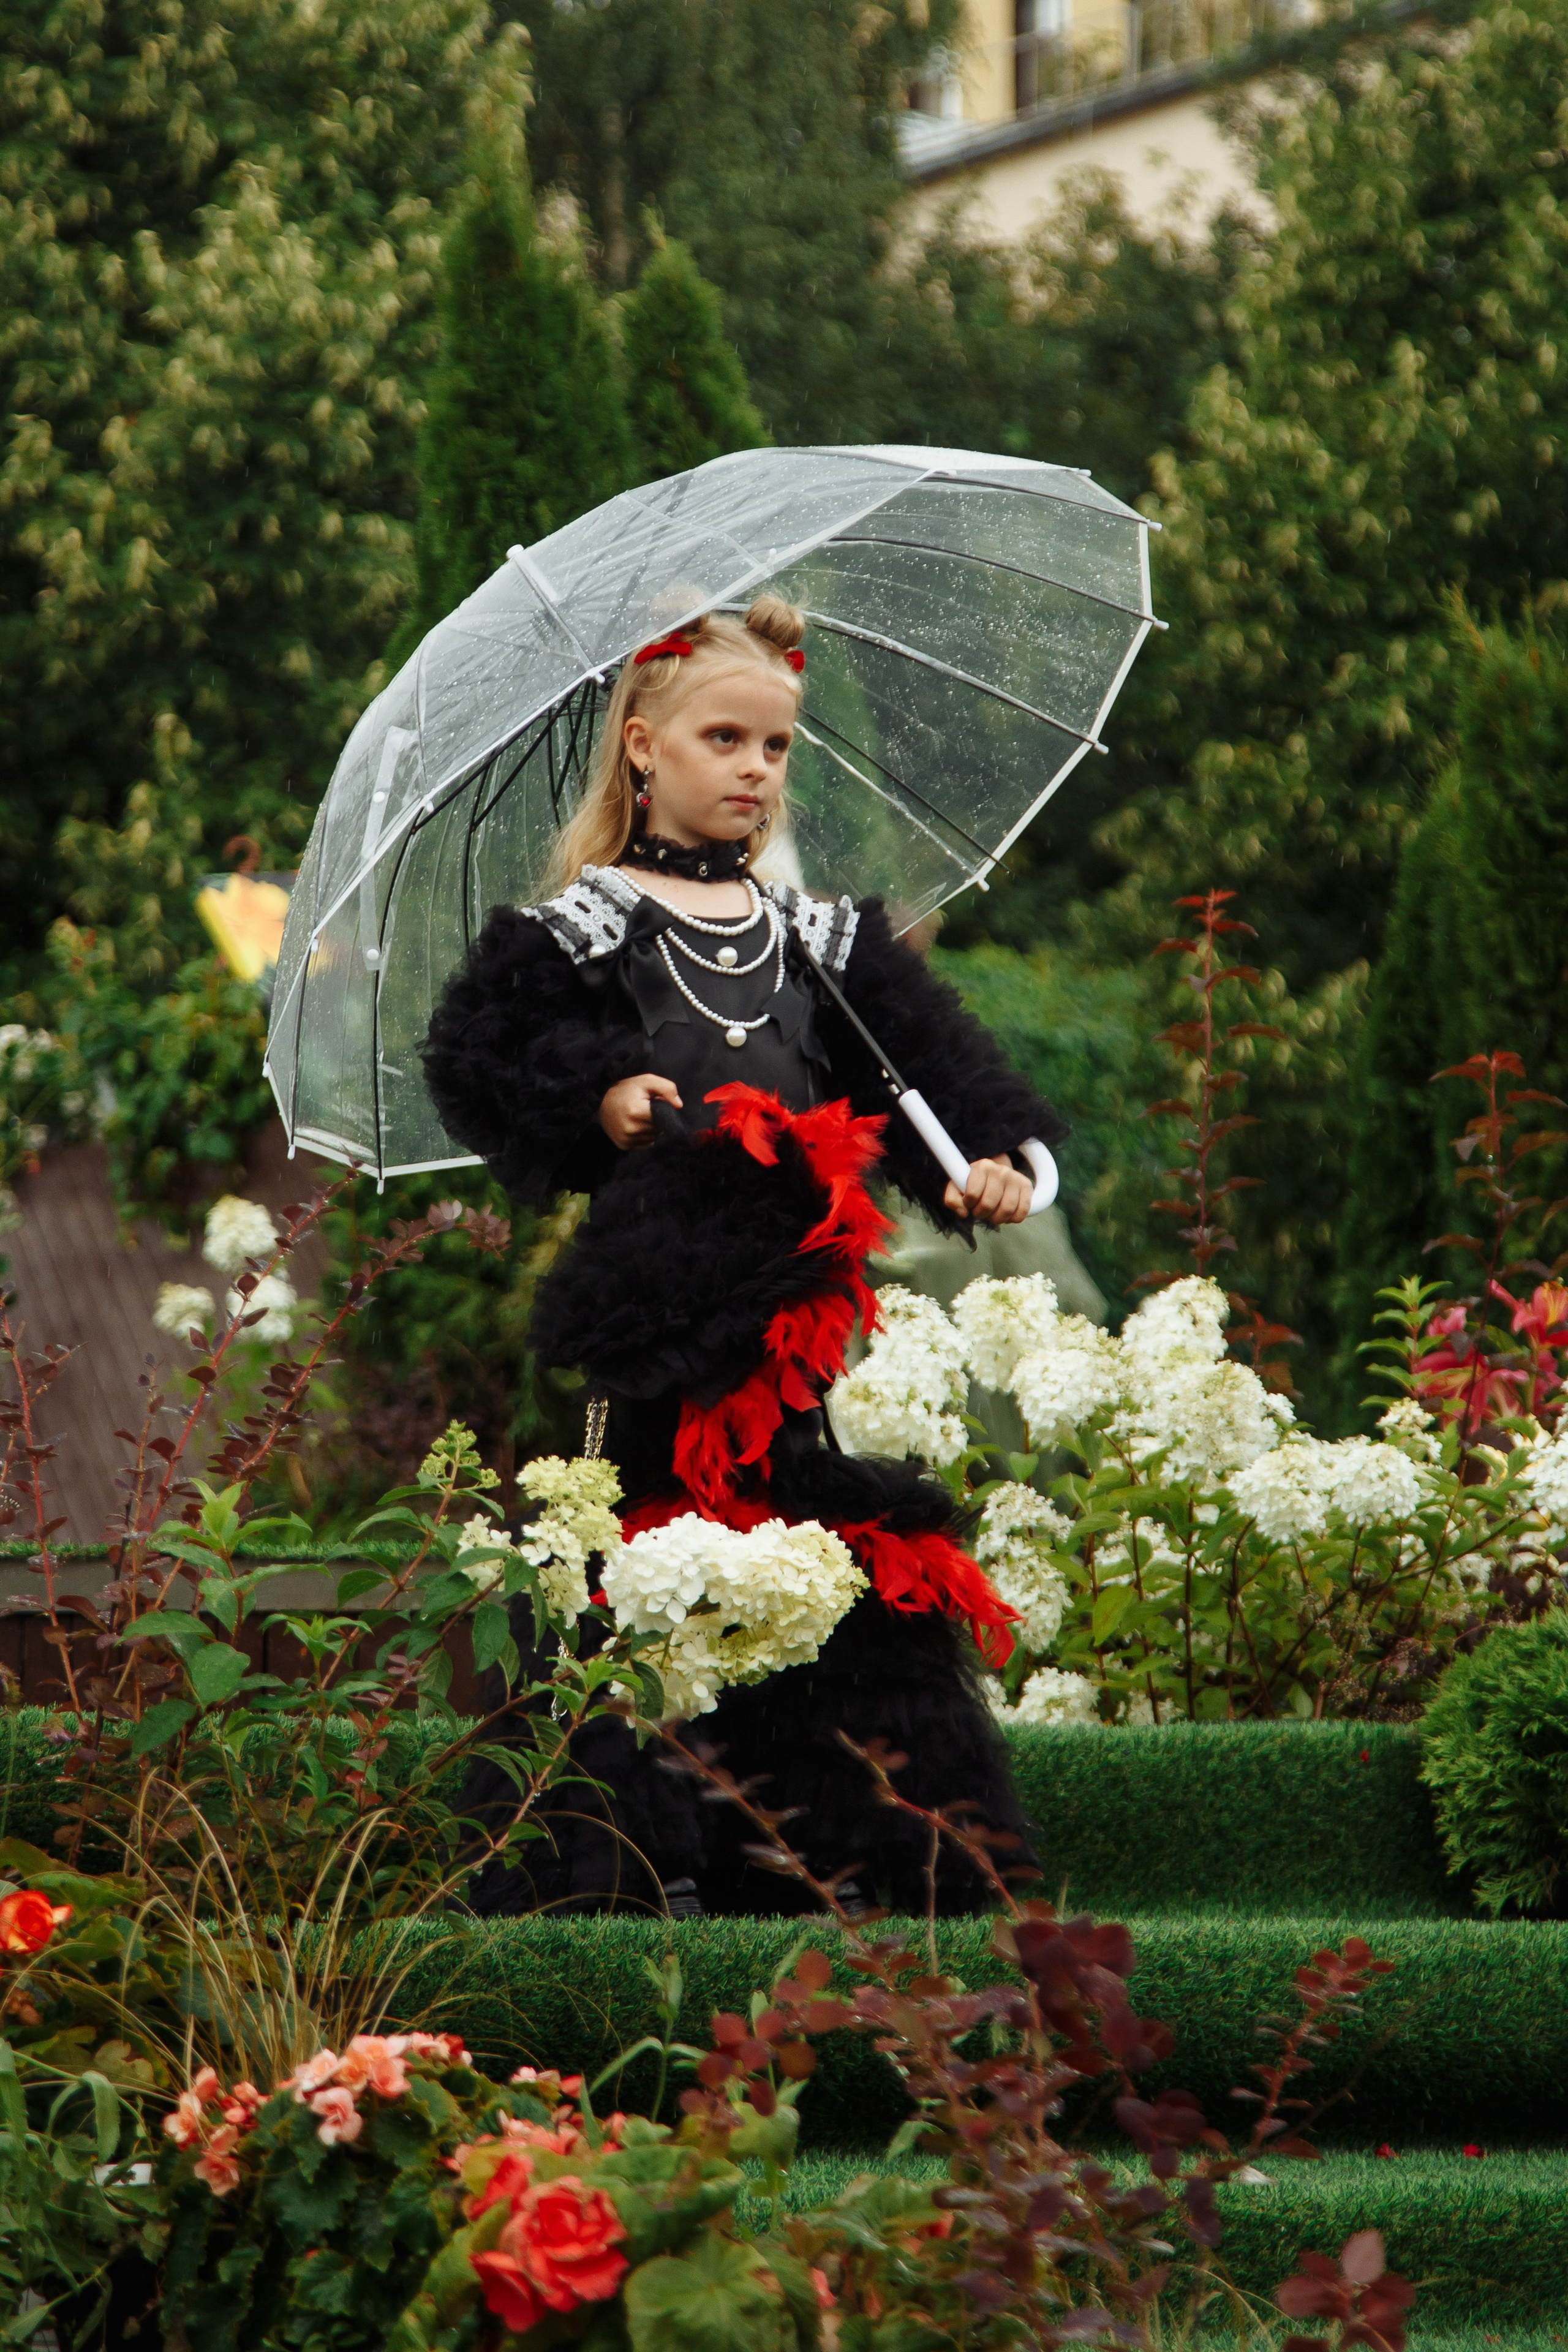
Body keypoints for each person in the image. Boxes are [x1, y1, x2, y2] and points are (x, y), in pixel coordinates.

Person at [421, 596, 1065, 1919]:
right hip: (652, 1326)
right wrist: (600, 1096)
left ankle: (822, 1851)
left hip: (790, 1336)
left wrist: (997, 1166)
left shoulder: (821, 946)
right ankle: (614, 1871)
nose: (755, 770)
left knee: (805, 1558)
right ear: (644, 747)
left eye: (775, 748)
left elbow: (952, 1081)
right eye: (725, 738)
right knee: (626, 1562)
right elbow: (480, 1056)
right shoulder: (583, 929)